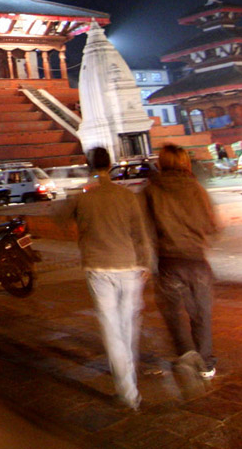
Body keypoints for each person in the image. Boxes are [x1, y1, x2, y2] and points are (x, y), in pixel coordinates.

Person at [72, 146, 153, 411]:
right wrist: (145, 262)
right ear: (110, 166)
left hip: (99, 269)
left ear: (89, 167)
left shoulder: (84, 198)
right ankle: (127, 377)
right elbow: (140, 233)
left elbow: (58, 215)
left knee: (112, 329)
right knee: (128, 327)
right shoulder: (125, 195)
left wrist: (87, 187)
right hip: (129, 266)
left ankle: (128, 392)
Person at [144, 143, 221, 383]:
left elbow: (144, 229)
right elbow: (213, 227)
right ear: (185, 163)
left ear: (161, 163)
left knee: (174, 315)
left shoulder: (151, 191)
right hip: (197, 261)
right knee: (201, 314)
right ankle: (206, 363)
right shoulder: (197, 190)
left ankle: (187, 356)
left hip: (168, 262)